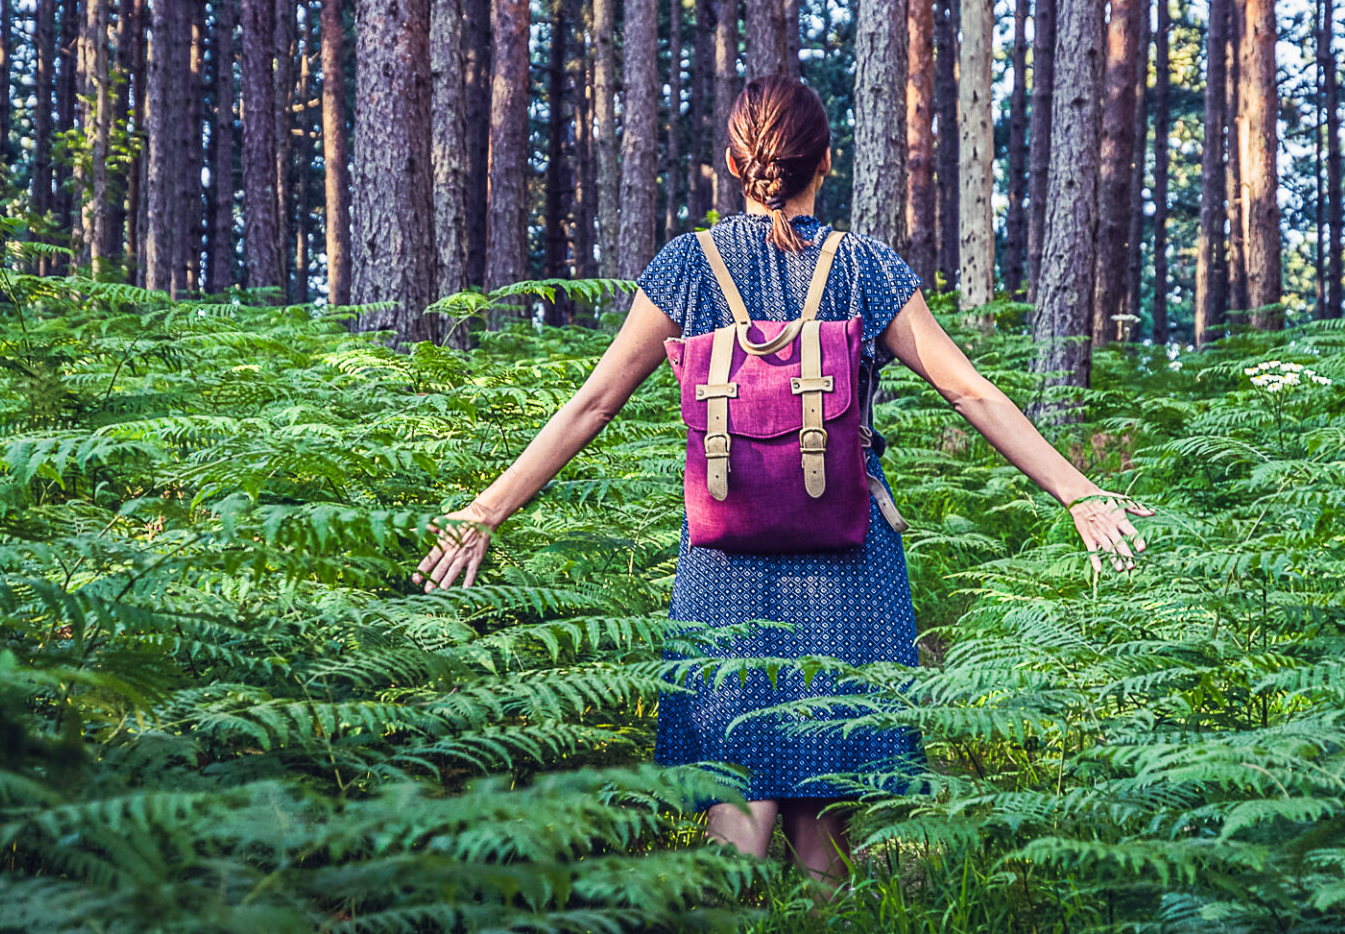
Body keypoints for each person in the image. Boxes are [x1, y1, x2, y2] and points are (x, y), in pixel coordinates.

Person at [413, 74, 1147, 884]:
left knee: (733, 794)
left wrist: (485, 510)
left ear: (736, 163)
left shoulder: (686, 267)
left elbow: (590, 405)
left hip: (722, 560)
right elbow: (967, 389)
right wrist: (1078, 490)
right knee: (823, 810)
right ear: (824, 163)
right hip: (848, 561)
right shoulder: (866, 268)